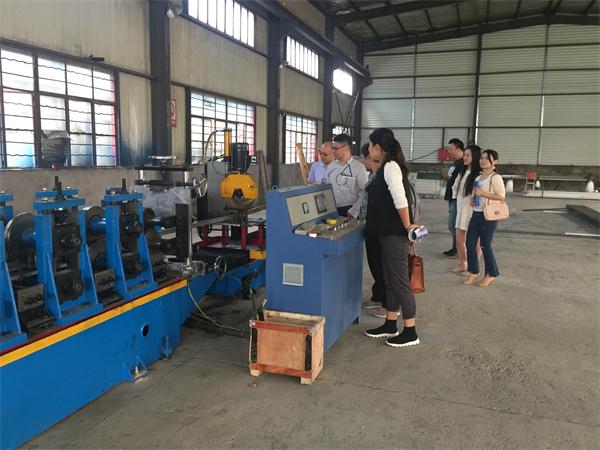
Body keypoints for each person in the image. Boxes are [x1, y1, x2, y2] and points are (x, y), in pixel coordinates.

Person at [363, 128, 421, 348]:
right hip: (385, 234)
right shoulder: (386, 167)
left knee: (400, 282)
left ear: (378, 147)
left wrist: (408, 227)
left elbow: (400, 199)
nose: (369, 150)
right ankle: (390, 323)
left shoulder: (391, 167)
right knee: (389, 280)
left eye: (370, 146)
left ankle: (410, 331)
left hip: (395, 235)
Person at [464, 150, 506, 288]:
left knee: (485, 245)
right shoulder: (478, 178)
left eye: (487, 159)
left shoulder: (495, 178)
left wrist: (483, 194)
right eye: (481, 158)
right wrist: (473, 199)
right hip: (476, 214)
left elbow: (501, 196)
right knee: (470, 243)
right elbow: (476, 195)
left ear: (495, 162)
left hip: (488, 216)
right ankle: (473, 272)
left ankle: (491, 274)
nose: (483, 161)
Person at [355, 144, 387, 318]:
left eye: (363, 157)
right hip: (371, 226)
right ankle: (378, 296)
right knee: (375, 264)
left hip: (382, 229)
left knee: (383, 266)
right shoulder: (374, 175)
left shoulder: (385, 176)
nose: (362, 161)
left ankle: (389, 305)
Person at [451, 144, 481, 273]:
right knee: (459, 239)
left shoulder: (479, 175)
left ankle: (473, 267)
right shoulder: (462, 172)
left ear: (475, 157)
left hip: (473, 212)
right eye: (464, 155)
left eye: (468, 155)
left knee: (474, 242)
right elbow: (455, 188)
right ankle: (463, 263)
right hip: (461, 211)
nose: (465, 157)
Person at [326, 133, 368, 217]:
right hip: (331, 209)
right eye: (332, 148)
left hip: (350, 210)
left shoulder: (358, 167)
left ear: (346, 147)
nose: (333, 151)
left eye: (336, 148)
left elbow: (364, 192)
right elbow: (326, 188)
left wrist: (354, 211)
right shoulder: (331, 166)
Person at [443, 138, 465, 258]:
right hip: (452, 198)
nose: (449, 151)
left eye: (451, 149)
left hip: (457, 199)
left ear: (458, 149)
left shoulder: (463, 164)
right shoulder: (456, 163)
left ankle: (458, 249)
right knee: (452, 225)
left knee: (454, 224)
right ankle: (456, 247)